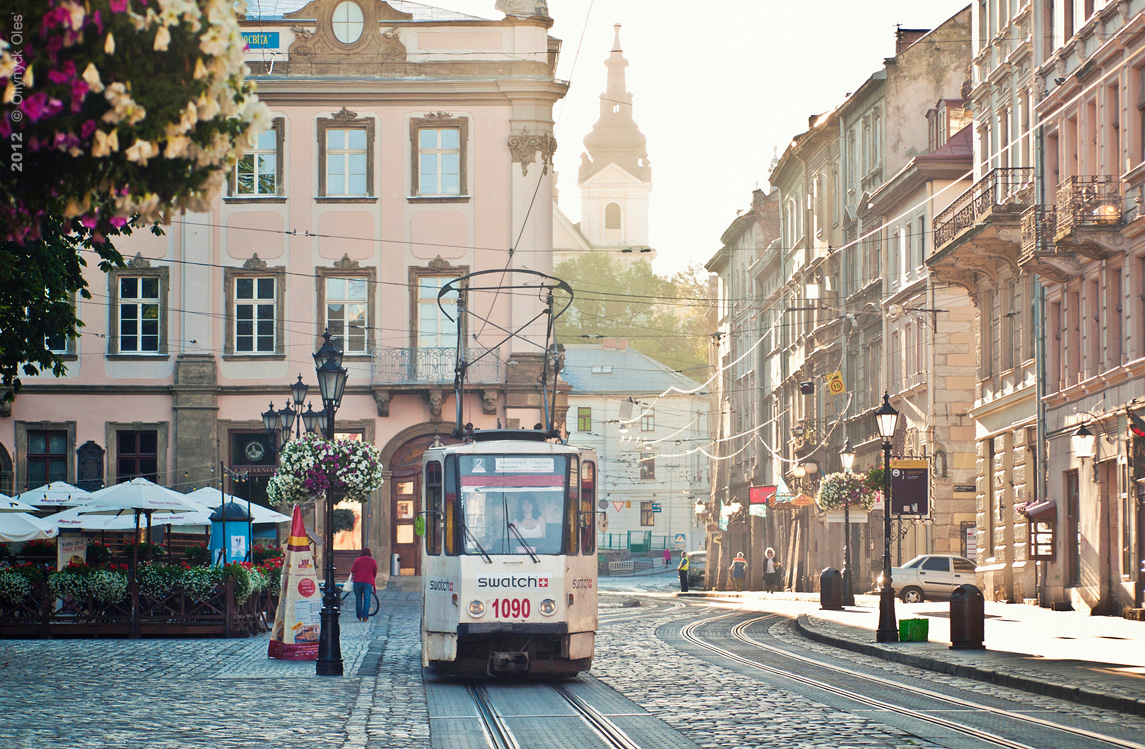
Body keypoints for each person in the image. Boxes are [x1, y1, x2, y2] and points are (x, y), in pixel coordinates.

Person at [350, 547, 378, 622]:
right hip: (368, 582)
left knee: (358, 599)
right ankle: (365, 617)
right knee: (367, 599)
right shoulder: (373, 561)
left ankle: (359, 616)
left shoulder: (358, 560)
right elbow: (374, 572)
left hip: (358, 581)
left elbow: (353, 570)